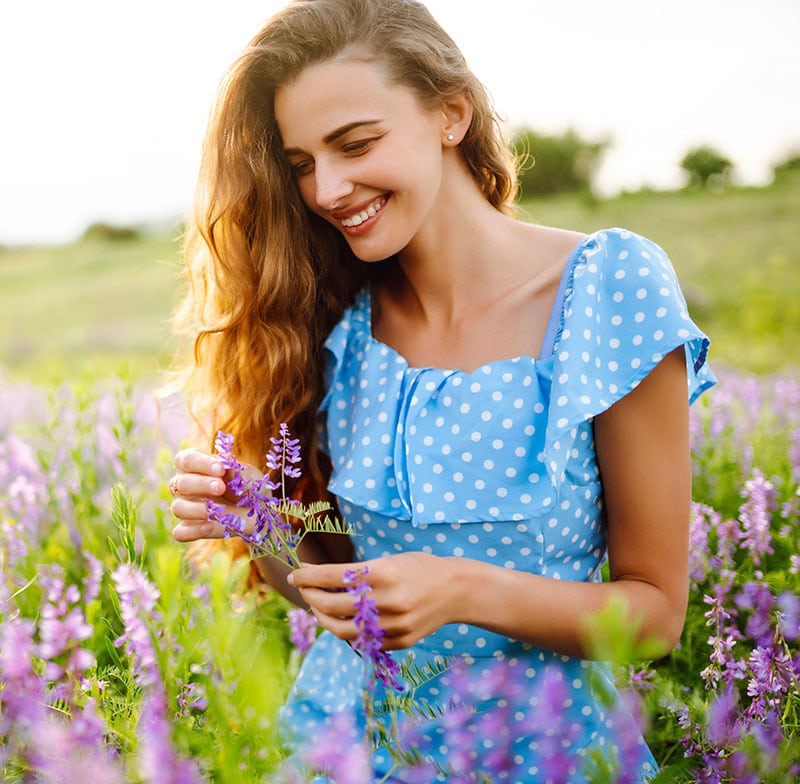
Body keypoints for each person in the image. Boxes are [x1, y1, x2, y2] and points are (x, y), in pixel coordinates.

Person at [168, 0, 715, 781]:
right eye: (300, 164)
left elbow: (656, 613)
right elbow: (335, 594)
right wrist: (256, 516)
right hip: (349, 745)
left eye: (355, 144)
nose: (326, 189)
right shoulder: (337, 323)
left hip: (538, 752)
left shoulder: (605, 286)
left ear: (451, 112)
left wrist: (461, 589)